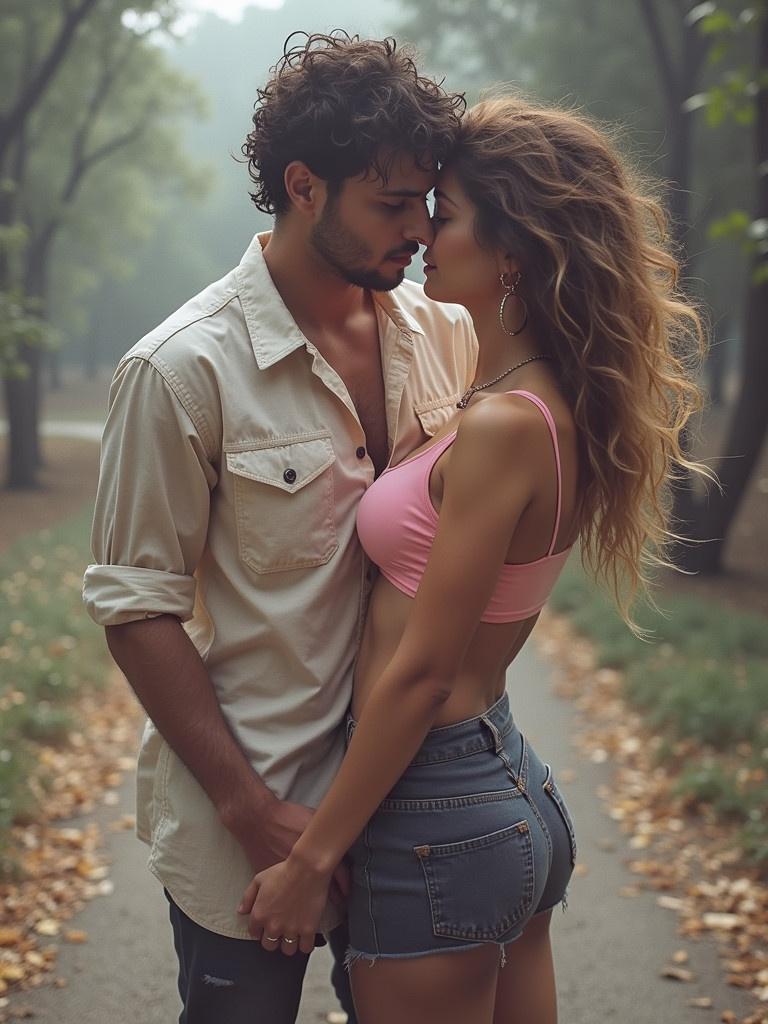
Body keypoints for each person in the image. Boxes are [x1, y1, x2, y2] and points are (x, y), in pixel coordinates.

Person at [238, 95, 710, 1024]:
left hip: (435, 809)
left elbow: (419, 675)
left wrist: (310, 861)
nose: (421, 234)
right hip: (499, 785)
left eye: (443, 215)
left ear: (512, 255)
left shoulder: (502, 425)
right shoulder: (529, 402)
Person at [82, 32, 475, 1024]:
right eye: (392, 203)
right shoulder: (181, 371)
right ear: (304, 185)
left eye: (427, 201)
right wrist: (255, 816)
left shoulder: (446, 333)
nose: (421, 230)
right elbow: (136, 608)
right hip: (254, 822)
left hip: (408, 805)